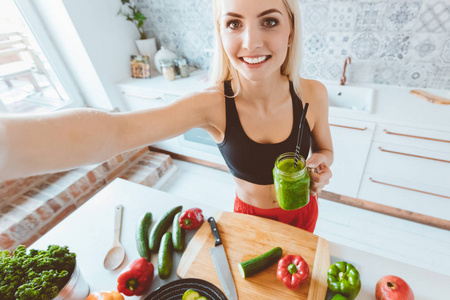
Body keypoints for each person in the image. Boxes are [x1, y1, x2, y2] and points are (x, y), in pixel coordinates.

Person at [0, 0, 332, 233]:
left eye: (269, 21)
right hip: (249, 217)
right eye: (234, 23)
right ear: (221, 33)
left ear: (290, 30)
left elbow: (325, 150)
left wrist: (318, 163)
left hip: (303, 211)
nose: (251, 41)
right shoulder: (213, 104)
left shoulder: (313, 94)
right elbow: (114, 132)